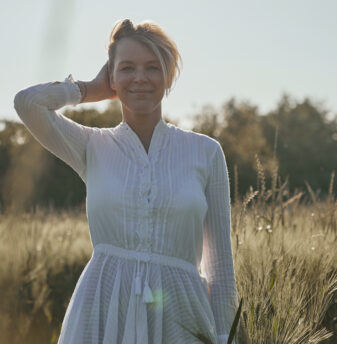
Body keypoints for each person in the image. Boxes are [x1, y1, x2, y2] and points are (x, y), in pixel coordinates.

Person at [14, 19, 238, 343]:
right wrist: (88, 90)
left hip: (182, 319)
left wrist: (224, 337)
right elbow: (27, 104)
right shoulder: (91, 145)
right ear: (112, 77)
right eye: (127, 68)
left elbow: (220, 268)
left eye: (153, 68)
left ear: (169, 75)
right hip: (102, 316)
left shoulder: (205, 152)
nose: (140, 78)